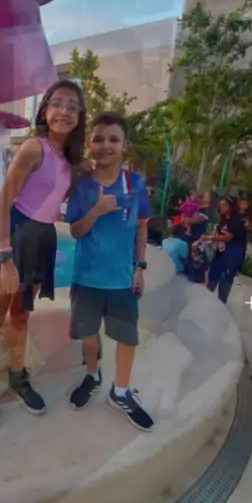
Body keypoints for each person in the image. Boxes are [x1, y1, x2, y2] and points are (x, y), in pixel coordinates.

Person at [0, 79, 86, 428]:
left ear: (80, 117)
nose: (64, 111)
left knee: (22, 315)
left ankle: (17, 376)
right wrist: (5, 257)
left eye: (72, 107)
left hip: (42, 239)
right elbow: (2, 201)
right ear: (45, 110)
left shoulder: (70, 160)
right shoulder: (33, 148)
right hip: (15, 234)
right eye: (58, 103)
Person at [65, 112, 153, 431]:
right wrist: (96, 211)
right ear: (91, 145)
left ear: (124, 146)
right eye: (99, 139)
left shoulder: (135, 184)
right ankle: (93, 375)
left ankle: (121, 391)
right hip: (87, 279)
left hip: (121, 281)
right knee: (89, 336)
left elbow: (141, 228)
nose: (106, 145)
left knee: (127, 338)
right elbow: (75, 231)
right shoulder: (82, 186)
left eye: (114, 139)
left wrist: (139, 268)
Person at [207, 197, 246, 303]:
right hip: (220, 252)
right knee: (213, 275)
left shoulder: (237, 221)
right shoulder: (222, 221)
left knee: (226, 278)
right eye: (220, 205)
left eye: (224, 205)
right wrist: (210, 238)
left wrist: (214, 238)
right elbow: (217, 233)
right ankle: (206, 298)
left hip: (233, 252)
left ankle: (221, 302)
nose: (222, 208)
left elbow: (228, 237)